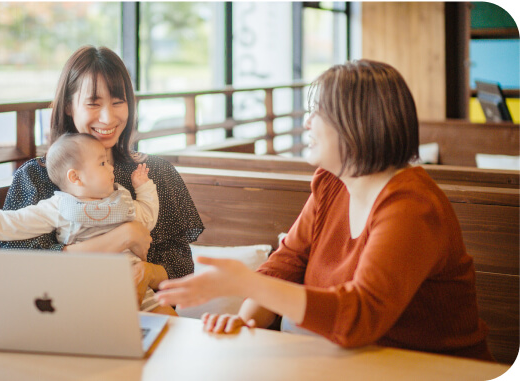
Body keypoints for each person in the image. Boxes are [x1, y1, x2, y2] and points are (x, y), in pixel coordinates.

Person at [156, 60, 494, 361]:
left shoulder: (411, 205)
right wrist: (244, 321)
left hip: (432, 368)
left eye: (317, 112)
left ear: (357, 123)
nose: (307, 123)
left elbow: (361, 317)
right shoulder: (331, 182)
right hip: (346, 359)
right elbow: (287, 263)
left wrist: (246, 284)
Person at [0, 45, 204, 312]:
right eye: (93, 103)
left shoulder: (155, 174)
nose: (108, 117)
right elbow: (19, 268)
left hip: (145, 320)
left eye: (118, 102)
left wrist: (145, 272)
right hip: (58, 319)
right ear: (70, 107)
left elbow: (182, 273)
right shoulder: (36, 177)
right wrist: (125, 235)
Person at [0, 132, 171, 314]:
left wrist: (144, 189)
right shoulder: (59, 206)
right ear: (75, 177)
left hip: (133, 283)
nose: (110, 168)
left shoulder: (120, 199)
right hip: (85, 289)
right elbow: (20, 221)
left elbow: (147, 219)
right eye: (102, 163)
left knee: (168, 318)